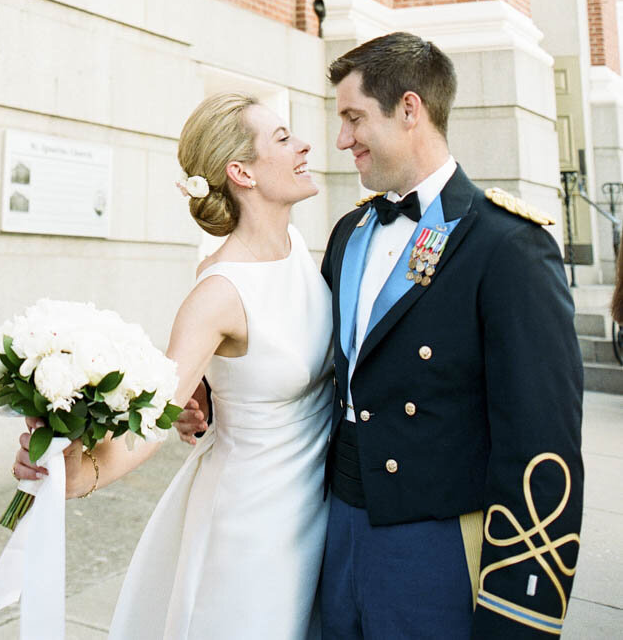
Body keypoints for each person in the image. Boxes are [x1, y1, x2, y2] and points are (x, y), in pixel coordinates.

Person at [177, 32, 585, 638]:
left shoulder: (509, 246)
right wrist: (211, 390)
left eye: (353, 118)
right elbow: (308, 354)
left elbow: (542, 444)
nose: (341, 139)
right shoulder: (348, 233)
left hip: (435, 545)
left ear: (410, 110)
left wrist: (518, 614)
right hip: (328, 532)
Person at [12, 92, 334, 640]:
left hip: (319, 507)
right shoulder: (218, 292)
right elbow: (156, 421)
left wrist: (210, 392)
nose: (304, 145)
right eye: (282, 138)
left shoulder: (300, 248)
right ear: (242, 172)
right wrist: (75, 472)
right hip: (254, 526)